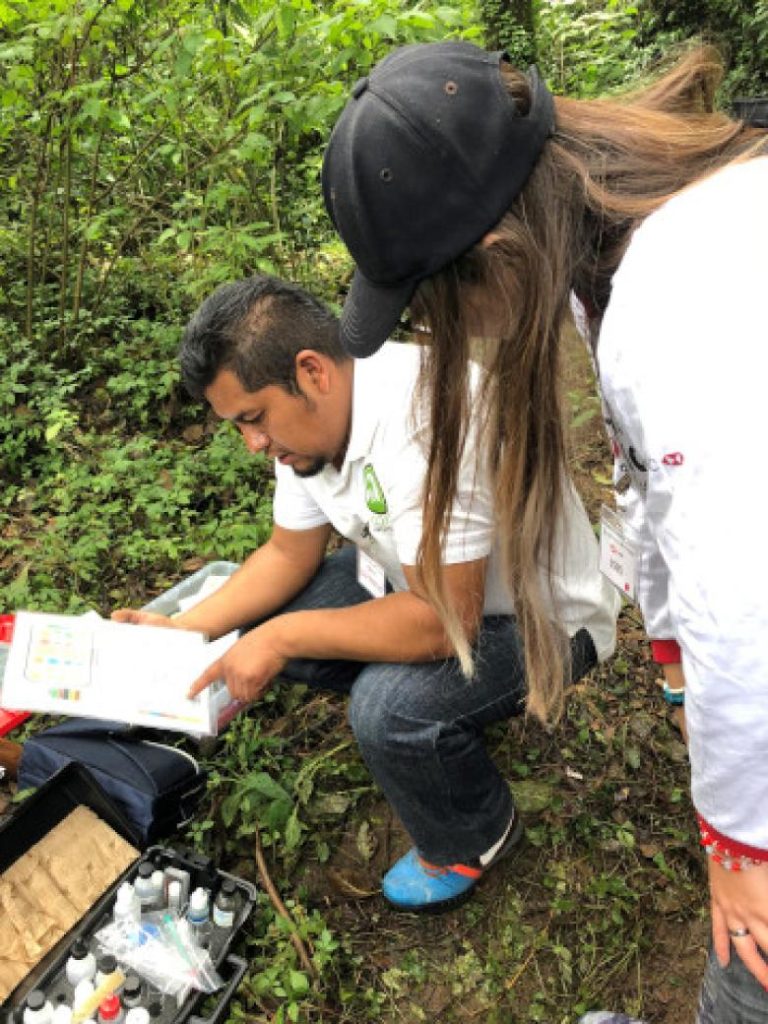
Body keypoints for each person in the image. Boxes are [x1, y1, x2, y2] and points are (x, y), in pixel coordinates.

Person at [320, 36, 768, 1020]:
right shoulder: (628, 242)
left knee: (750, 964)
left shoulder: (679, 309)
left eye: (442, 310)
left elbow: (744, 611)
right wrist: (672, 661)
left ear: (494, 256)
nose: (461, 335)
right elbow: (650, 493)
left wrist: (740, 846)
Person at [114, 273, 618, 912]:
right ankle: (441, 720)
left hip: (540, 620)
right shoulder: (309, 433)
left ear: (312, 371)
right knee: (281, 617)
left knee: (386, 709)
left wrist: (278, 637)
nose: (253, 444)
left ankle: (474, 831)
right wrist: (188, 628)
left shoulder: (432, 418)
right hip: (425, 587)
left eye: (254, 419)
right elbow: (287, 554)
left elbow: (444, 622)